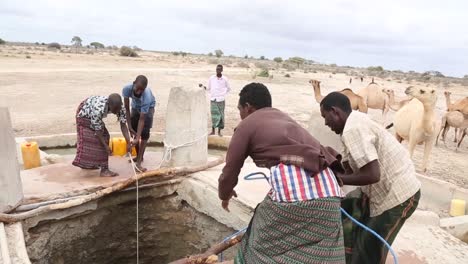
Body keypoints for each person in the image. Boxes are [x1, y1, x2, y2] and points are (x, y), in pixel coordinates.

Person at [219, 83, 346, 264]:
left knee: (258, 239)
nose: (240, 115)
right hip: (331, 191)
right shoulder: (284, 118)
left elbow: (230, 171)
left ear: (248, 107)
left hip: (297, 194)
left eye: (240, 109)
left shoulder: (247, 125)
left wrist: (224, 194)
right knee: (319, 252)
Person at [320, 92, 421, 264]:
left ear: (335, 111)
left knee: (370, 250)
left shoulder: (353, 129)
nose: (325, 122)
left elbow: (372, 174)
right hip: (380, 192)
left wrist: (338, 178)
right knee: (352, 223)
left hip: (398, 197)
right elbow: (351, 167)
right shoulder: (353, 122)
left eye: (325, 116)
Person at [73, 94, 131, 177]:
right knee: (101, 137)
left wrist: (128, 142)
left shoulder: (120, 108)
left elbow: (123, 125)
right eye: (114, 109)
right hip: (84, 113)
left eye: (118, 108)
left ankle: (92, 165)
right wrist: (106, 146)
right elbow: (98, 130)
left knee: (100, 138)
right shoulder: (99, 109)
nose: (116, 111)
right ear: (108, 104)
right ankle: (104, 170)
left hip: (92, 112)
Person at [122, 75, 156, 172]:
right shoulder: (126, 89)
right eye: (137, 89)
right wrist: (129, 126)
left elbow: (142, 119)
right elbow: (126, 108)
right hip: (135, 107)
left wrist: (138, 138)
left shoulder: (147, 96)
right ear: (134, 83)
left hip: (148, 109)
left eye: (142, 90)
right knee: (133, 130)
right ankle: (138, 156)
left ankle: (139, 162)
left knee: (144, 134)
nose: (139, 92)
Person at [207, 64, 230, 136]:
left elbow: (228, 88)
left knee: (220, 115)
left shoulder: (225, 79)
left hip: (221, 100)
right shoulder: (211, 78)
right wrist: (202, 87)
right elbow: (208, 88)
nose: (218, 70)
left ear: (222, 70)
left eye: (219, 69)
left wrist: (222, 94)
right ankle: (213, 131)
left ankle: (219, 132)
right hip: (213, 99)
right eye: (217, 69)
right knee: (213, 115)